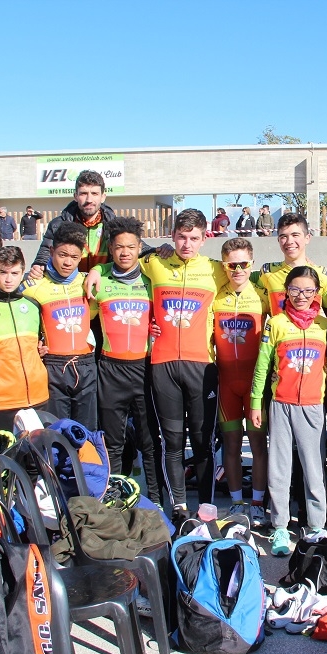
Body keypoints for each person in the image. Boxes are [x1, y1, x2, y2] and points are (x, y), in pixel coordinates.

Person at [136, 209, 226, 520]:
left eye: (194, 238)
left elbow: (249, 275)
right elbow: (122, 258)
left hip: (201, 366)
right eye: (182, 237)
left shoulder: (216, 269)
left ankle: (206, 509)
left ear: (204, 238)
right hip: (163, 365)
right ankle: (178, 507)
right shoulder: (154, 262)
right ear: (172, 236)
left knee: (202, 443)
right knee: (172, 442)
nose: (187, 244)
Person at [250, 266, 327, 555]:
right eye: (295, 289)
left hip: (312, 406)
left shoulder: (325, 325)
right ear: (286, 291)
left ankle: (317, 526)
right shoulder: (276, 323)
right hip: (281, 404)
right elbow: (262, 367)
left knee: (314, 469)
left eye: (308, 290)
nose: (301, 296)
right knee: (279, 469)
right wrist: (256, 402)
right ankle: (280, 527)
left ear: (317, 293)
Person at [89, 218, 162, 505]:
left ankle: (156, 500)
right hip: (110, 369)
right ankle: (115, 500)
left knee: (150, 441)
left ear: (140, 247)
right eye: (119, 247)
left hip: (144, 368)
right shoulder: (100, 280)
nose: (125, 252)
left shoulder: (151, 280)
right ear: (110, 248)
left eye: (131, 247)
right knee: (113, 442)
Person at [214, 237, 270, 526]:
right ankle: (237, 503)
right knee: (231, 445)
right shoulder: (215, 295)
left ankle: (258, 503)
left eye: (243, 264)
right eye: (231, 265)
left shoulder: (262, 296)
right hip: (226, 382)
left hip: (254, 384)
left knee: (258, 444)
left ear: (252, 264)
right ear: (224, 265)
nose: (238, 270)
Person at [21, 225, 97, 429]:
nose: (68, 262)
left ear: (81, 256)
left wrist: (98, 270)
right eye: (62, 255)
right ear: (52, 251)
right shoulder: (33, 286)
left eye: (74, 257)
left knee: (86, 432)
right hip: (53, 366)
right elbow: (6, 297)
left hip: (86, 365)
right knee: (57, 430)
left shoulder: (88, 282)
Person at [0, 247, 49, 431]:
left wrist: (41, 349)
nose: (8, 279)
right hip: (2, 401)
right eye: (3, 272)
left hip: (39, 396)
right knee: (7, 448)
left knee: (38, 448)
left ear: (22, 273)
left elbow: (41, 344)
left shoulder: (33, 305)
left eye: (14, 273)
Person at [31, 170, 152, 280]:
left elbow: (136, 245)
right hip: (71, 286)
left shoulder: (114, 225)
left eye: (94, 193)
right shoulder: (59, 225)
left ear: (103, 197)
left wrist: (156, 250)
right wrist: (39, 265)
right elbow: (45, 251)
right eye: (83, 193)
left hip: (105, 285)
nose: (89, 199)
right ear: (75, 196)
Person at [255, 213, 327, 316]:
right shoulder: (267, 272)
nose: (289, 241)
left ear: (307, 238)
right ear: (278, 240)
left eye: (295, 235)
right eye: (283, 236)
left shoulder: (323, 275)